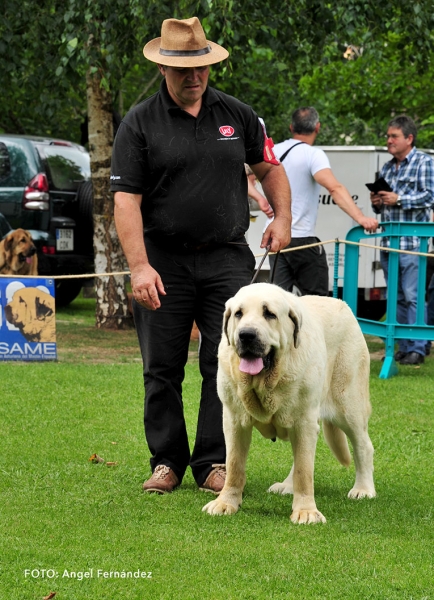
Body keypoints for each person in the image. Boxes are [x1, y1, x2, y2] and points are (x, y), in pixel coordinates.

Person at [110, 17, 291, 494]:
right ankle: (166, 461)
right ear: (164, 68)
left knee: (226, 360)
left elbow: (269, 168)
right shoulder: (139, 122)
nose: (194, 77)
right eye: (183, 69)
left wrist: (283, 218)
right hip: (162, 262)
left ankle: (214, 462)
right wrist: (139, 265)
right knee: (162, 365)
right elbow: (126, 200)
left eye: (202, 68)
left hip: (228, 257)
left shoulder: (238, 114)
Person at [267, 107, 378, 296]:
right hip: (301, 238)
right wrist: (361, 218)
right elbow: (334, 188)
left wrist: (260, 199)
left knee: (278, 302)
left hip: (274, 237)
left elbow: (246, 175)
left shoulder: (274, 151)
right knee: (317, 301)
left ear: (291, 127)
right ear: (317, 127)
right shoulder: (313, 155)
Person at [370, 115, 434, 365]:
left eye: (394, 136)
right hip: (388, 243)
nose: (389, 141)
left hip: (412, 245)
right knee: (394, 297)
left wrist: (400, 199)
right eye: (388, 136)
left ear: (409, 138)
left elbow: (430, 197)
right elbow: (383, 208)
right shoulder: (386, 167)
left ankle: (418, 347)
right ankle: (403, 346)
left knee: (412, 296)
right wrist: (377, 203)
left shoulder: (424, 163)